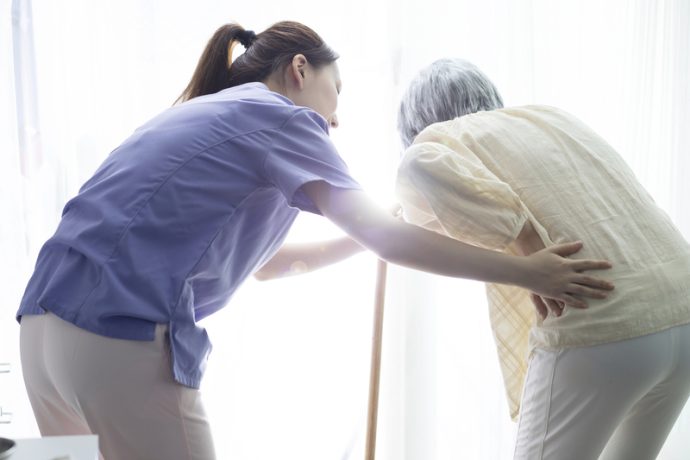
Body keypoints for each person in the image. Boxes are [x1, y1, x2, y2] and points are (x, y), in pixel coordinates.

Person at [16, 23, 612, 460]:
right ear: (300, 70)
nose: (337, 116)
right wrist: (533, 272)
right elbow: (381, 235)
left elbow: (273, 265)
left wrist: (388, 224)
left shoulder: (211, 113)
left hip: (43, 331)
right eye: (338, 90)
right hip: (114, 338)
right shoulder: (281, 116)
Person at [394, 58, 690, 459]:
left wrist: (528, 243)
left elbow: (418, 165)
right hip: (679, 304)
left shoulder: (443, 140)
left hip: (601, 322)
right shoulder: (548, 118)